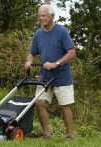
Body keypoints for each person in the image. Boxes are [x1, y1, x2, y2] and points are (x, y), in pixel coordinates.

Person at [24, 4, 76, 139]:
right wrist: (29, 61)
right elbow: (32, 53)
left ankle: (70, 135)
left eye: (44, 16)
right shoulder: (38, 34)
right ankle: (46, 134)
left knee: (65, 106)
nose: (41, 18)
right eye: (39, 16)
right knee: (39, 103)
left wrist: (56, 63)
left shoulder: (62, 31)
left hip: (62, 76)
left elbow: (71, 53)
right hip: (45, 76)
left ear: (52, 17)